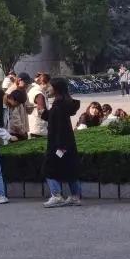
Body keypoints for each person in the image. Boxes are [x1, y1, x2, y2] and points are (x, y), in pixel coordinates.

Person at [41, 78, 82, 208]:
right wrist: (44, 113)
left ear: (56, 89)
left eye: (50, 86)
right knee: (70, 169)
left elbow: (58, 126)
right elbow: (55, 118)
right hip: (67, 143)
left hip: (59, 145)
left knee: (49, 168)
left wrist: (60, 147)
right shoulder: (63, 104)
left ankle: (56, 196)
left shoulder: (58, 106)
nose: (48, 88)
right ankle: (75, 196)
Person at [28, 73, 51, 138]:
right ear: (44, 83)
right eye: (49, 84)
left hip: (33, 125)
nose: (49, 87)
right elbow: (42, 110)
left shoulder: (33, 89)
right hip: (39, 128)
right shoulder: (39, 93)